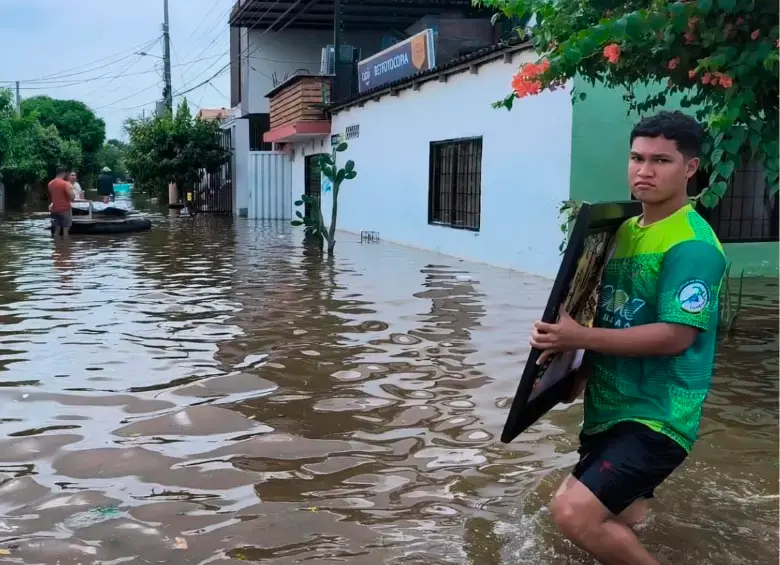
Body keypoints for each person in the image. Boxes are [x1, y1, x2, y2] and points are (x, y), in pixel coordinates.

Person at [529, 111, 726, 565]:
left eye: (661, 160)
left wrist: (581, 336)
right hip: (610, 408)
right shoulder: (621, 231)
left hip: (658, 416)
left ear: (690, 169)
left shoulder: (692, 245)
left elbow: (675, 336)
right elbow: (613, 314)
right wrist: (573, 369)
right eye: (637, 158)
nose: (644, 170)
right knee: (623, 522)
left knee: (572, 513)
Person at [48, 167, 75, 238]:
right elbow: (72, 198)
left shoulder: (50, 183)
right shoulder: (66, 184)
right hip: (65, 209)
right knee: (65, 232)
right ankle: (65, 247)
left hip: (54, 210)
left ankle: (57, 247)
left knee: (57, 231)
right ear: (64, 173)